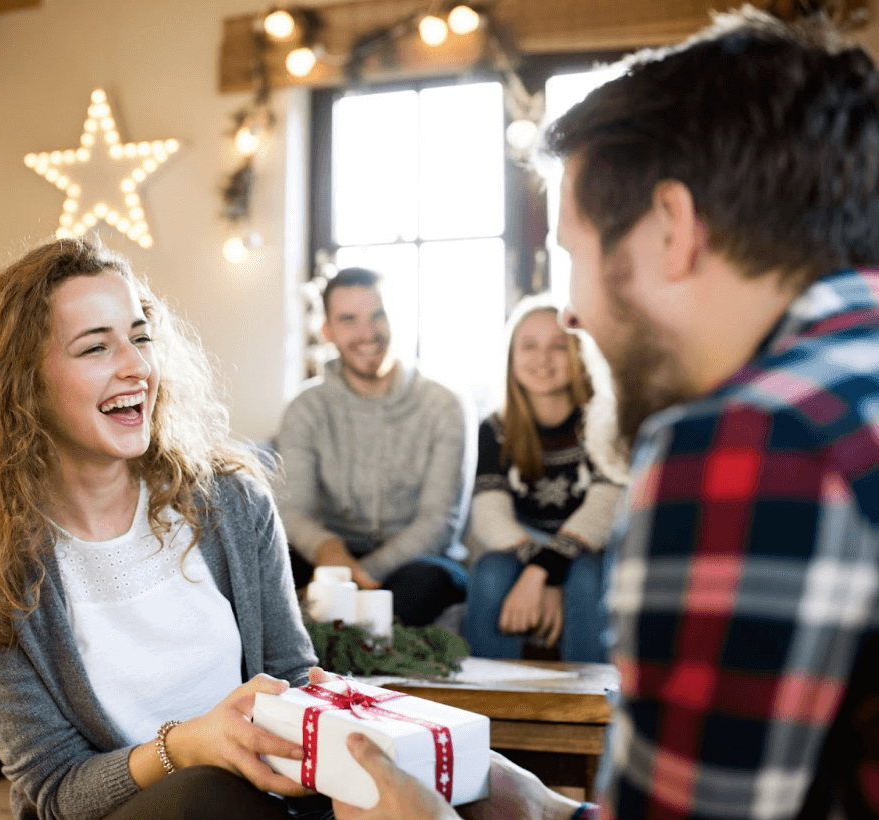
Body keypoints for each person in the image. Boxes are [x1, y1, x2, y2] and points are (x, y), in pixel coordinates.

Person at [326, 7, 879, 819]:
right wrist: (550, 811)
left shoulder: (751, 441)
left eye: (572, 255)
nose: (573, 316)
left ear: (671, 228)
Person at [0, 238, 334, 820]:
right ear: (23, 385)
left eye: (141, 337)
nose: (137, 366)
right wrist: (187, 746)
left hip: (267, 807)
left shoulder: (232, 501)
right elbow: (55, 789)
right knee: (208, 791)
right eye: (95, 347)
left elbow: (291, 678)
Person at [275, 266, 475, 627]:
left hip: (417, 561)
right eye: (349, 320)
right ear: (328, 332)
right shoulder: (305, 409)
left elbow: (439, 523)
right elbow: (292, 512)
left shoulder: (446, 405)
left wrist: (357, 577)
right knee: (270, 566)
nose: (367, 333)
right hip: (332, 554)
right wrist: (327, 550)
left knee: (425, 583)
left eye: (377, 316)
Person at [463, 294, 623, 662]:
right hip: (519, 546)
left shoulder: (604, 421)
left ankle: (592, 706)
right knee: (490, 571)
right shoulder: (494, 429)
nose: (542, 359)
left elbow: (603, 509)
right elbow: (489, 517)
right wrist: (542, 569)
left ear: (579, 353)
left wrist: (543, 573)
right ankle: (490, 703)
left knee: (585, 575)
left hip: (588, 549)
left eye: (558, 346)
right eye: (529, 346)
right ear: (511, 357)